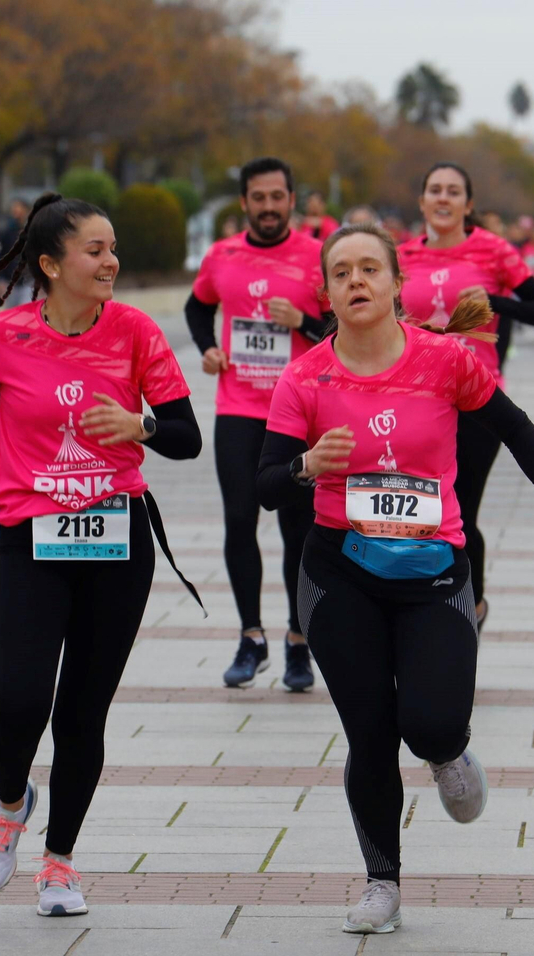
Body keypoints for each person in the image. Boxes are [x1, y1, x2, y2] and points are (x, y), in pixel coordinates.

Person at [255, 223, 534, 935]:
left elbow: (517, 430)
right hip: (340, 574)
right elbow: (265, 484)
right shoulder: (305, 376)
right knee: (370, 734)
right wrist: (305, 467)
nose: (356, 281)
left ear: (397, 283)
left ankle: (447, 750)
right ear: (326, 292)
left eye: (370, 268)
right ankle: (381, 883)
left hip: (434, 572)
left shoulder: (447, 360)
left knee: (430, 723)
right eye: (341, 272)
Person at [0, 193, 202, 918]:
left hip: (119, 539)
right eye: (95, 250)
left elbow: (186, 436)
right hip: (32, 538)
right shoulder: (2, 335)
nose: (111, 261)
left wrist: (139, 425)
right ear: (50, 265)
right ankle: (9, 802)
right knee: (19, 702)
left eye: (113, 249)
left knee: (82, 712)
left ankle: (59, 863)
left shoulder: (136, 331)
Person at [184, 157, 327, 689]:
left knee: (299, 531)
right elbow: (196, 308)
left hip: (300, 413)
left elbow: (344, 325)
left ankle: (298, 641)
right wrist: (208, 348)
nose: (268, 207)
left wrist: (304, 322)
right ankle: (250, 637)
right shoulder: (221, 255)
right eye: (258, 198)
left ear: (292, 200)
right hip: (238, 409)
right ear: (244, 202)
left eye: (277, 197)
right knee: (240, 521)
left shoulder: (318, 257)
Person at [398, 162, 534, 632]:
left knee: (461, 511)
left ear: (468, 204)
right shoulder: (401, 256)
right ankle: (428, 604)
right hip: (416, 400)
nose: (443, 198)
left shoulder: (493, 250)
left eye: (453, 191)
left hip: (476, 400)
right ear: (422, 201)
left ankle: (471, 607)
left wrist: (495, 302)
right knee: (422, 511)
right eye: (434, 190)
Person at [0, 199, 34, 308]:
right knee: (12, 311)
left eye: (19, 208)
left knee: (26, 309)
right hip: (10, 280)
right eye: (14, 209)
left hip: (28, 280)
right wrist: (0, 279)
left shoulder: (33, 230)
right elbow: (0, 256)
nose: (16, 211)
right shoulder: (7, 232)